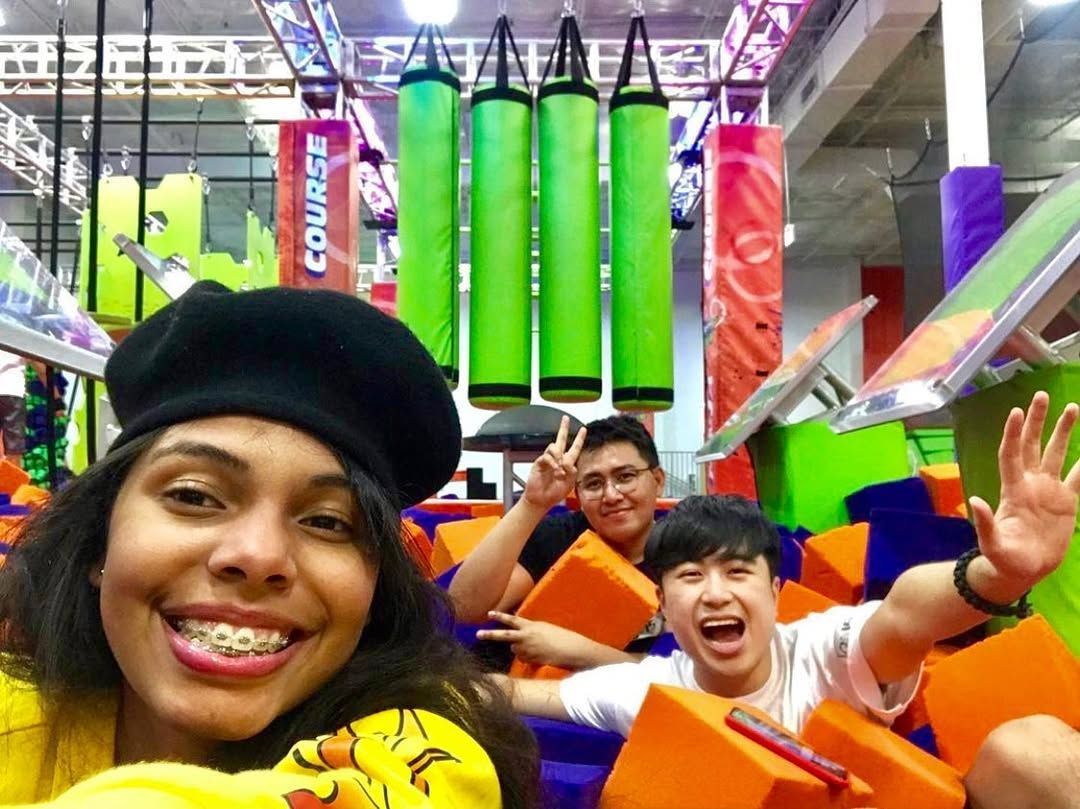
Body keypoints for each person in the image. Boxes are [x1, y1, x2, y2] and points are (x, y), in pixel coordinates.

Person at [0, 281, 537, 808]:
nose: (257, 557)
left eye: (328, 522)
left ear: (375, 589)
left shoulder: (422, 761)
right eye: (195, 495)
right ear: (100, 541)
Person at [499, 392, 1079, 747]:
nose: (716, 595)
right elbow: (513, 694)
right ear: (664, 609)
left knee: (1027, 744)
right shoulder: (643, 689)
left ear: (776, 592)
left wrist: (996, 578)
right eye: (692, 578)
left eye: (737, 572)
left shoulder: (825, 652)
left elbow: (905, 616)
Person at [449, 415, 666, 670]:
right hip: (507, 686)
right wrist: (532, 505)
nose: (611, 495)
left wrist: (574, 651)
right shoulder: (559, 536)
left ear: (658, 481)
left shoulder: (687, 554)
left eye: (625, 477)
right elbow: (464, 607)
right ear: (579, 494)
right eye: (594, 484)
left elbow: (683, 673)